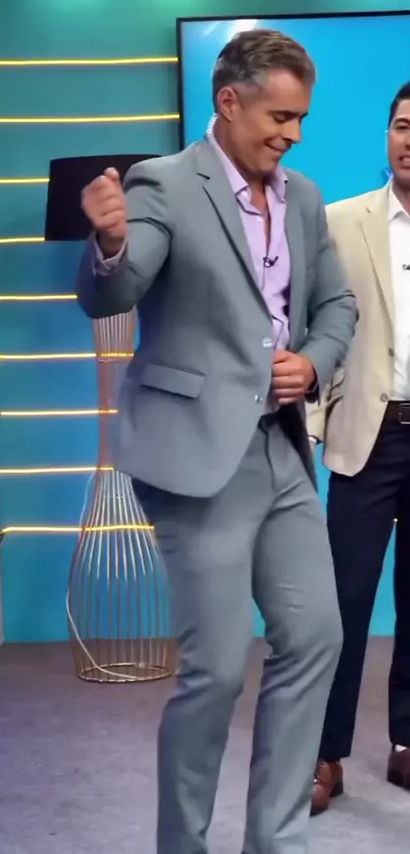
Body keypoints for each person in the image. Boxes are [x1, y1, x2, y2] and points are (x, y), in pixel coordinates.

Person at [77, 29, 356, 854]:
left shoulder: (303, 198)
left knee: (317, 637)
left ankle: (276, 839)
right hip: (196, 459)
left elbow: (337, 306)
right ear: (228, 101)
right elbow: (116, 291)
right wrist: (110, 243)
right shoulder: (164, 182)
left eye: (301, 119)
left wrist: (313, 361)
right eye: (280, 117)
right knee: (218, 669)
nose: (292, 134)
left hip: (281, 452)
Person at [308, 81, 410, 816]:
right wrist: (313, 423)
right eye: (404, 125)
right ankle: (325, 755)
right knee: (342, 603)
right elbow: (314, 325)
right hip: (366, 439)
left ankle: (408, 741)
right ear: (388, 134)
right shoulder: (343, 221)